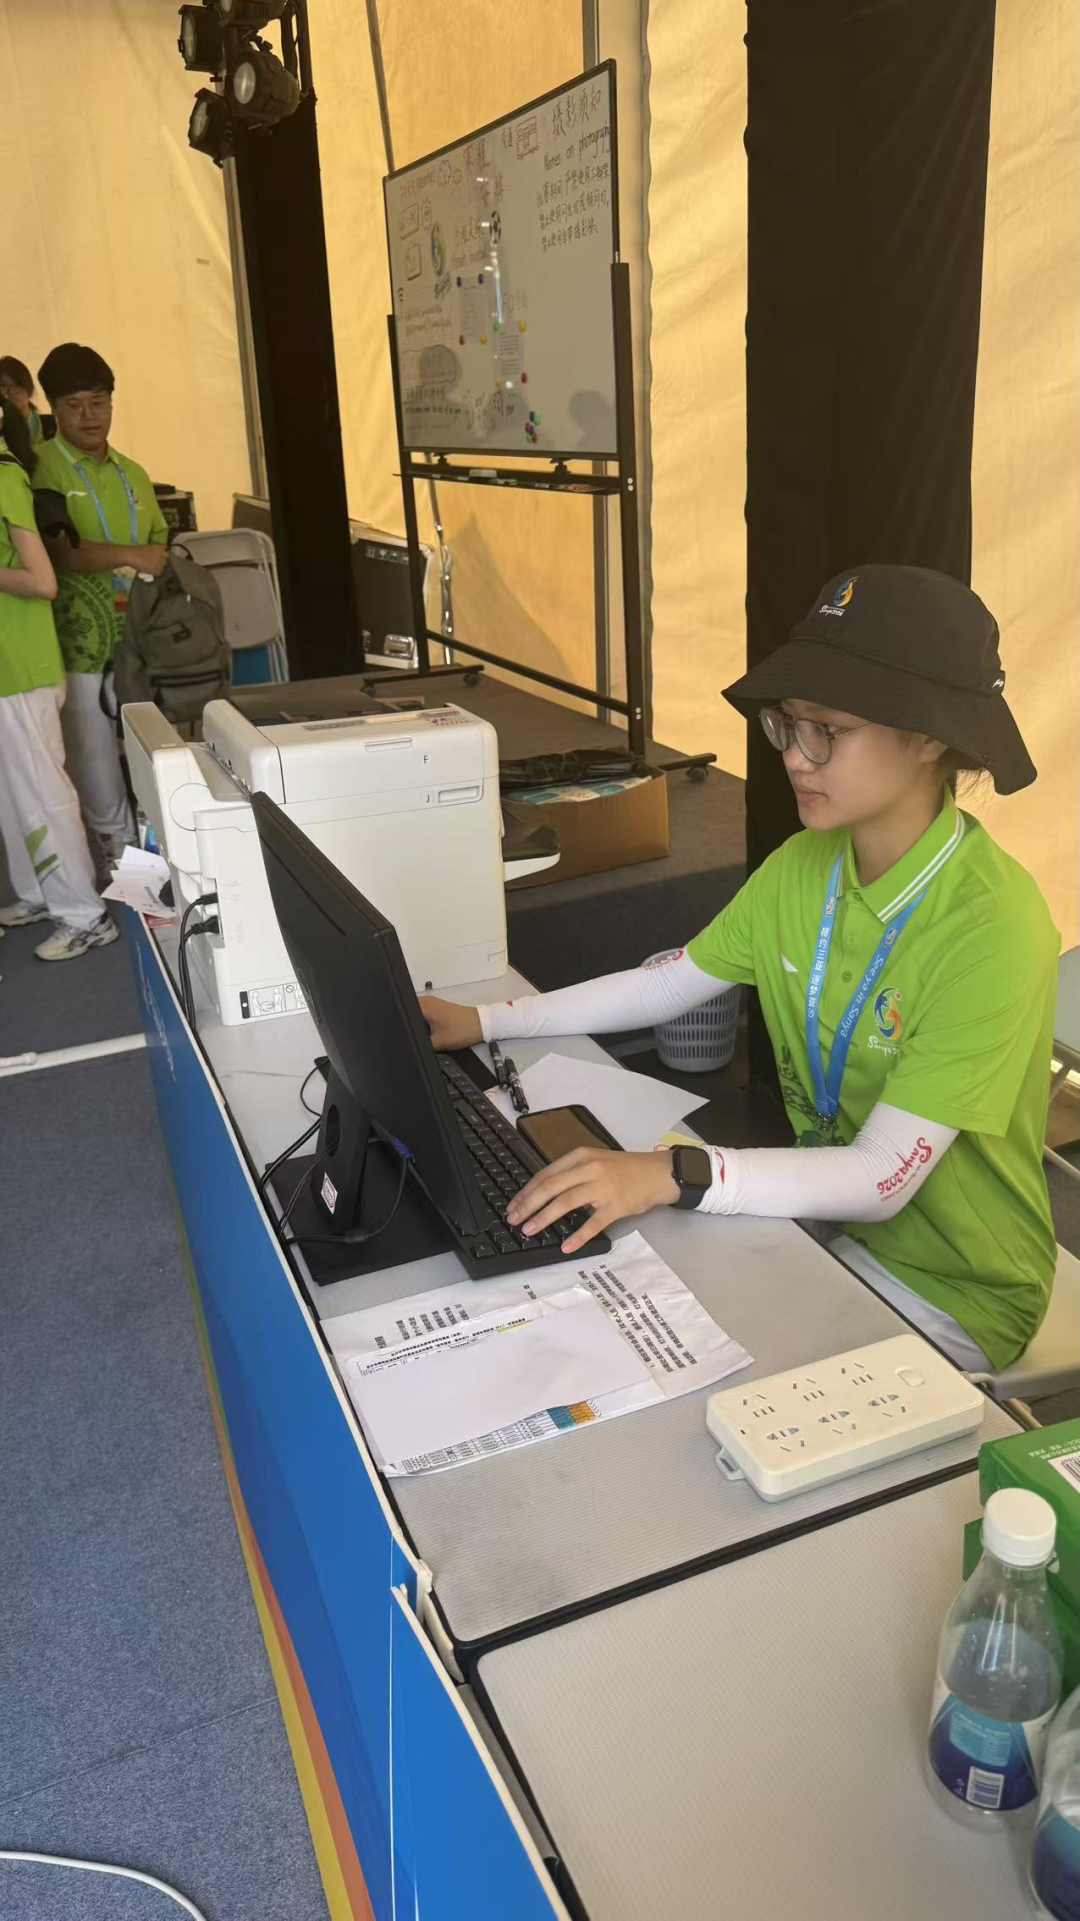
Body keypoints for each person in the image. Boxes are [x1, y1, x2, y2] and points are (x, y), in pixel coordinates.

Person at [421, 566, 1059, 1374]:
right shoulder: (803, 866)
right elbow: (668, 984)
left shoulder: (994, 926)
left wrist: (675, 1171)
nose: (794, 756)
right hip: (834, 1225)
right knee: (635, 1310)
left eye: (827, 730)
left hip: (956, 1284)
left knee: (685, 1362)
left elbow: (880, 1178)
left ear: (929, 736)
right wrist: (485, 1020)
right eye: (786, 724)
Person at [31, 342, 169, 874]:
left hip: (141, 638)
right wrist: (131, 555)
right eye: (74, 405)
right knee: (94, 761)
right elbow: (61, 553)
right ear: (53, 408)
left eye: (99, 402)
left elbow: (160, 546)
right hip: (78, 646)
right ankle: (122, 863)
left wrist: (134, 556)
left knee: (152, 747)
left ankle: (159, 858)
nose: (89, 416)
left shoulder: (133, 472)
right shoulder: (41, 469)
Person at [0, 397, 118, 961]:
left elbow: (42, 581)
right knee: (12, 796)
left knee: (43, 794)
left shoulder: (4, 476)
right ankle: (41, 895)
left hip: (24, 665)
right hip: (7, 667)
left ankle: (85, 917)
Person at [0, 355, 56, 449]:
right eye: (3, 385)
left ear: (28, 388)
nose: (10, 391)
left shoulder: (50, 426)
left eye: (17, 385)